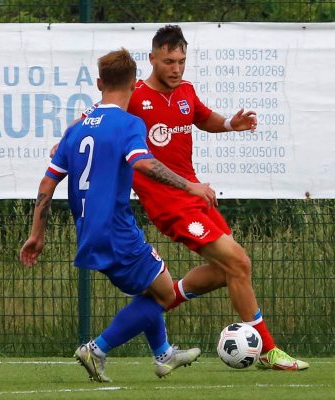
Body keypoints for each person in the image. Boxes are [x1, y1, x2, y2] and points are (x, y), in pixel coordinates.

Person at [20, 48, 218, 382]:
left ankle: (163, 354)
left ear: (99, 83)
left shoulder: (77, 129)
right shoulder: (129, 123)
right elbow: (142, 162)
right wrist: (191, 186)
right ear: (134, 84)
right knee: (166, 293)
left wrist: (37, 234)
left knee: (149, 288)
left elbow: (47, 183)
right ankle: (97, 349)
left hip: (89, 231)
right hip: (117, 231)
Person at [127, 25, 309, 371]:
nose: (176, 68)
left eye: (181, 61)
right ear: (152, 59)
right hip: (170, 204)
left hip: (196, 199)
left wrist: (229, 123)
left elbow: (200, 116)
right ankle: (268, 351)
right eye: (168, 61)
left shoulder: (185, 91)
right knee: (238, 263)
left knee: (228, 270)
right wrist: (69, 139)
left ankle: (149, 306)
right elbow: (98, 116)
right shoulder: (135, 97)